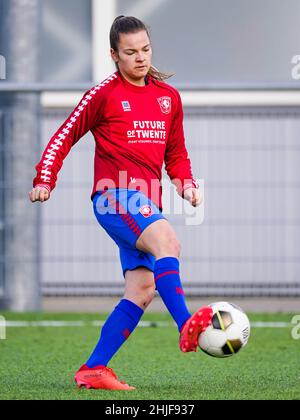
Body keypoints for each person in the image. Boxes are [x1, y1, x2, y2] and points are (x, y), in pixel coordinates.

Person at [29, 16, 213, 391]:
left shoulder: (168, 98)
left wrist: (186, 184)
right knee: (169, 243)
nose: (140, 58)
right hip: (114, 197)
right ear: (114, 54)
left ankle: (93, 369)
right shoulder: (103, 94)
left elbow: (176, 154)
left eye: (145, 49)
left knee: (142, 290)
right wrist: (45, 179)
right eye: (130, 52)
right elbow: (64, 136)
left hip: (147, 204)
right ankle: (185, 327)